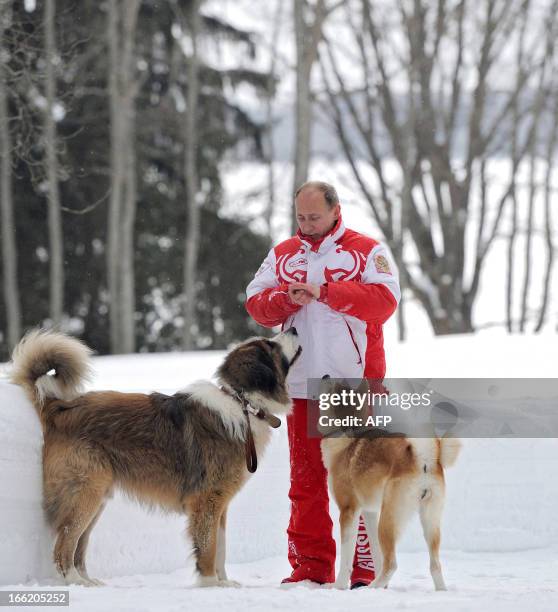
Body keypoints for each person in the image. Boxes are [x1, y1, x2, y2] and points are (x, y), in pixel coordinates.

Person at [245, 181, 400, 587]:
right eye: (300, 216)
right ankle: (310, 568)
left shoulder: (367, 250)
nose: (307, 224)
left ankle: (365, 568)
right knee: (305, 482)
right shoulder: (283, 253)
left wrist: (327, 292)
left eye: (314, 216)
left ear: (336, 210)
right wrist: (287, 300)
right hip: (297, 383)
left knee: (356, 478)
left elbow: (384, 302)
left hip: (348, 383)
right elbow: (256, 302)